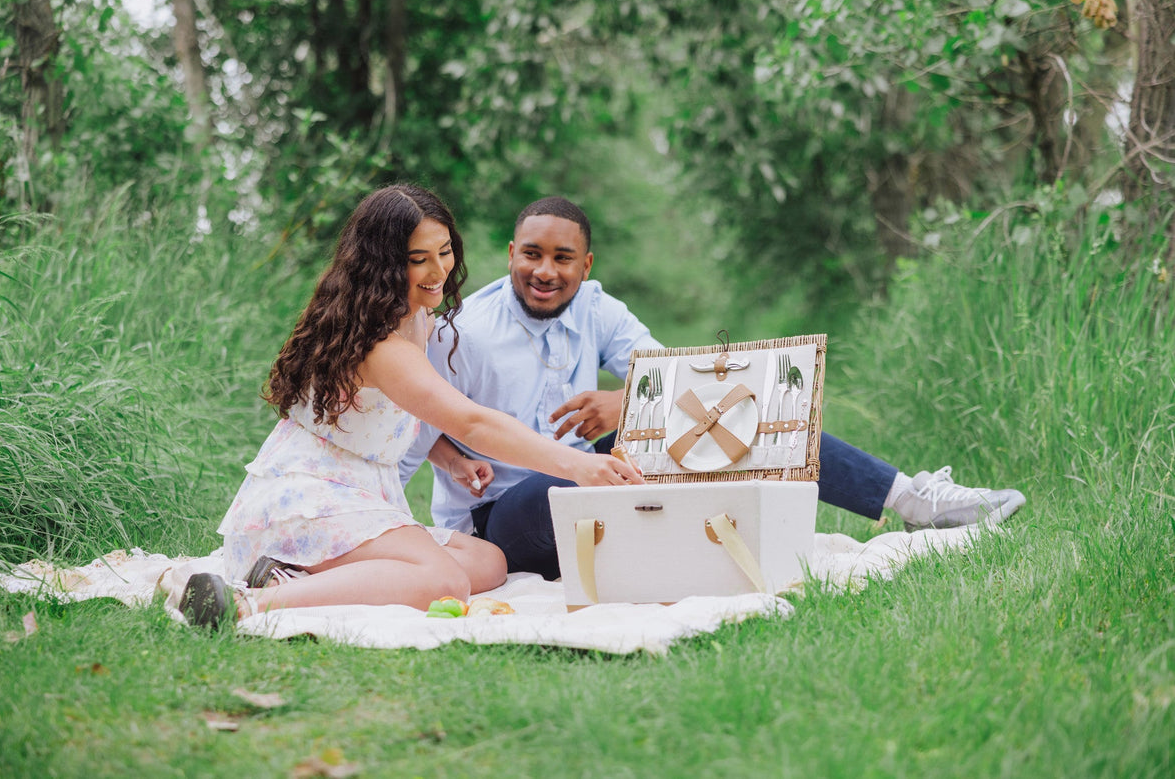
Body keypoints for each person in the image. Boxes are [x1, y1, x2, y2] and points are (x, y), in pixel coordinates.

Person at [399, 196, 1026, 580]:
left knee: (723, 419)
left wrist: (626, 400)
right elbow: (410, 424)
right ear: (510, 253)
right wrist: (445, 461)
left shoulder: (596, 307)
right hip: (506, 520)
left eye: (563, 258)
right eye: (531, 254)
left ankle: (917, 502)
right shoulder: (463, 330)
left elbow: (679, 384)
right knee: (572, 474)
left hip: (595, 489)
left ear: (585, 266)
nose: (545, 271)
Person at [177, 186, 643, 628]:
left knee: (488, 561)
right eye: (418, 259)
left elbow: (389, 415)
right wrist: (580, 466)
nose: (438, 270)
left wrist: (451, 458)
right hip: (306, 500)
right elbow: (472, 421)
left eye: (444, 251)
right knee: (447, 582)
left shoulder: (416, 317)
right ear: (383, 264)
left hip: (360, 492)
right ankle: (247, 603)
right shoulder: (381, 344)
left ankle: (291, 576)